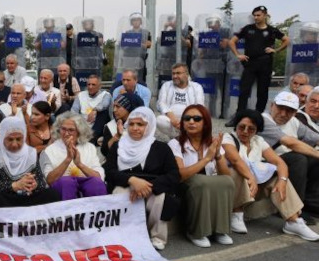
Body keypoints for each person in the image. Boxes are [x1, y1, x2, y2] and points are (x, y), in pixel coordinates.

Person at [223, 109, 318, 240]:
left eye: (251, 129)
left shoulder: (258, 141)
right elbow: (235, 160)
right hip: (229, 194)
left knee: (277, 178)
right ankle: (236, 213)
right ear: (236, 125)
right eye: (242, 127)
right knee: (237, 171)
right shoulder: (228, 138)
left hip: (251, 192)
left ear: (257, 130)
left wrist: (282, 180)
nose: (245, 131)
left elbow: (280, 163)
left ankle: (293, 221)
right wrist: (251, 177)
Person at [105, 107, 180, 250]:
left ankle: (158, 237)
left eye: (140, 124)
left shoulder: (161, 148)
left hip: (153, 187)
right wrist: (132, 181)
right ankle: (123, 235)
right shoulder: (118, 146)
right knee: (120, 194)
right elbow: (109, 171)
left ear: (149, 126)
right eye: (131, 124)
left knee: (159, 198)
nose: (135, 128)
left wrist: (148, 186)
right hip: (125, 184)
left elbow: (173, 174)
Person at [168, 104, 234, 248]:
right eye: (187, 118)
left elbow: (226, 176)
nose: (191, 122)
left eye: (197, 118)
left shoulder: (211, 143)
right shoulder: (175, 144)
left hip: (205, 185)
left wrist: (217, 155)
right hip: (183, 187)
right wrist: (206, 159)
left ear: (205, 123)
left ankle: (220, 230)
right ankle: (196, 232)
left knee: (227, 182)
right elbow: (180, 175)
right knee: (200, 181)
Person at [259, 91, 319, 216]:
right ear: (272, 105)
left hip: (285, 160)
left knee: (313, 159)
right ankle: (293, 210)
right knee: (298, 158)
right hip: (264, 163)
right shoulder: (263, 120)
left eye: (289, 111)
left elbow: (315, 138)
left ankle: (311, 203)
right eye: (280, 108)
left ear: (295, 112)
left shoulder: (294, 122)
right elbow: (290, 143)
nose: (283, 114)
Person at [0, 116, 60, 207]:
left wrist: (35, 184)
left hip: (28, 198)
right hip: (6, 200)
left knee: (52, 194)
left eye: (18, 139)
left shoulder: (30, 154)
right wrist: (14, 186)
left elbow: (41, 182)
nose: (14, 144)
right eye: (10, 139)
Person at [230, 5, 290, 115]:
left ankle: (259, 116)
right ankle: (239, 115)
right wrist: (238, 54)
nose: (256, 17)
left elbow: (286, 40)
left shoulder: (272, 30)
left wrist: (276, 50)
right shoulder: (248, 28)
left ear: (265, 15)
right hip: (250, 63)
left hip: (265, 64)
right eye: (254, 15)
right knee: (244, 90)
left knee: (262, 92)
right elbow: (232, 41)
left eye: (258, 15)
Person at [41, 112, 107, 200]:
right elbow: (49, 180)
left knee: (95, 183)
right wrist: (68, 159)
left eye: (71, 130)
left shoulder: (89, 147)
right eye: (63, 129)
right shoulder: (50, 150)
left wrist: (79, 164)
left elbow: (98, 178)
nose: (66, 134)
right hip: (63, 188)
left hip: (85, 184)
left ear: (79, 131)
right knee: (66, 182)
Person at [156, 63, 206, 139]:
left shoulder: (196, 87)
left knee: (204, 121)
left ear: (186, 74)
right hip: (171, 120)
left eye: (178, 73)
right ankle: (177, 137)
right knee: (159, 120)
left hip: (190, 119)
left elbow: (199, 106)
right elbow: (161, 103)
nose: (175, 76)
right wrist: (172, 118)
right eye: (173, 73)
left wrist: (186, 120)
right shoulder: (166, 85)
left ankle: (182, 136)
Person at [100, 93, 144, 158]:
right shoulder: (110, 126)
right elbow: (105, 152)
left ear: (129, 108)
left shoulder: (143, 126)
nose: (114, 110)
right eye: (114, 106)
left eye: (118, 106)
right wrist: (117, 136)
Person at [71, 75, 111, 142]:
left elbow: (104, 104)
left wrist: (95, 110)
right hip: (83, 123)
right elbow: (73, 111)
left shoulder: (105, 95)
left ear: (99, 86)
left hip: (98, 123)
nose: (90, 87)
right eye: (88, 84)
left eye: (93, 85)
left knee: (103, 113)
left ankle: (92, 138)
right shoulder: (80, 95)